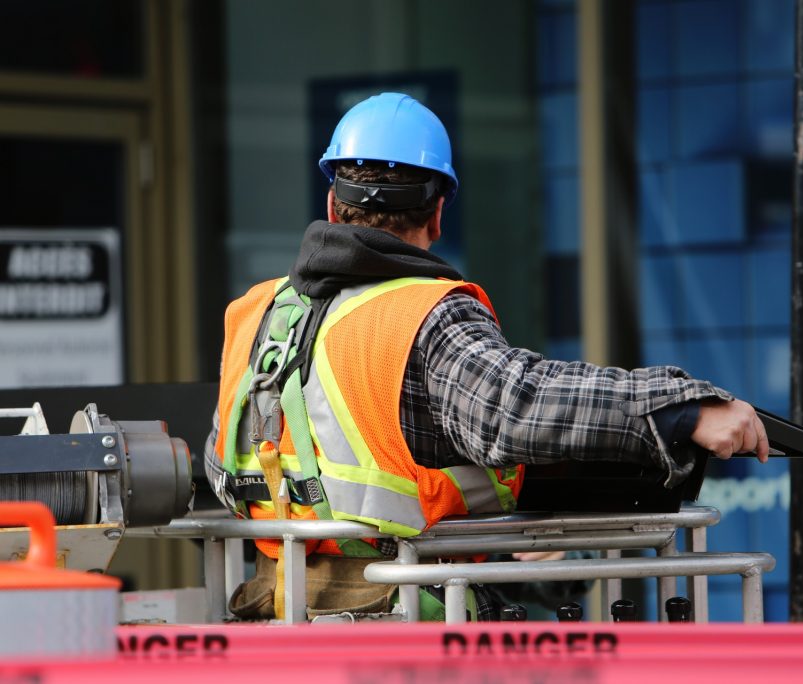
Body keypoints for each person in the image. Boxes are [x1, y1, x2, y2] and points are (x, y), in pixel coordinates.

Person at [204, 92, 769, 622]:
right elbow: (514, 406)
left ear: (332, 202)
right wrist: (682, 409)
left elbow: (222, 459)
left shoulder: (255, 314)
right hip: (402, 626)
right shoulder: (422, 314)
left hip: (275, 618)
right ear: (438, 213)